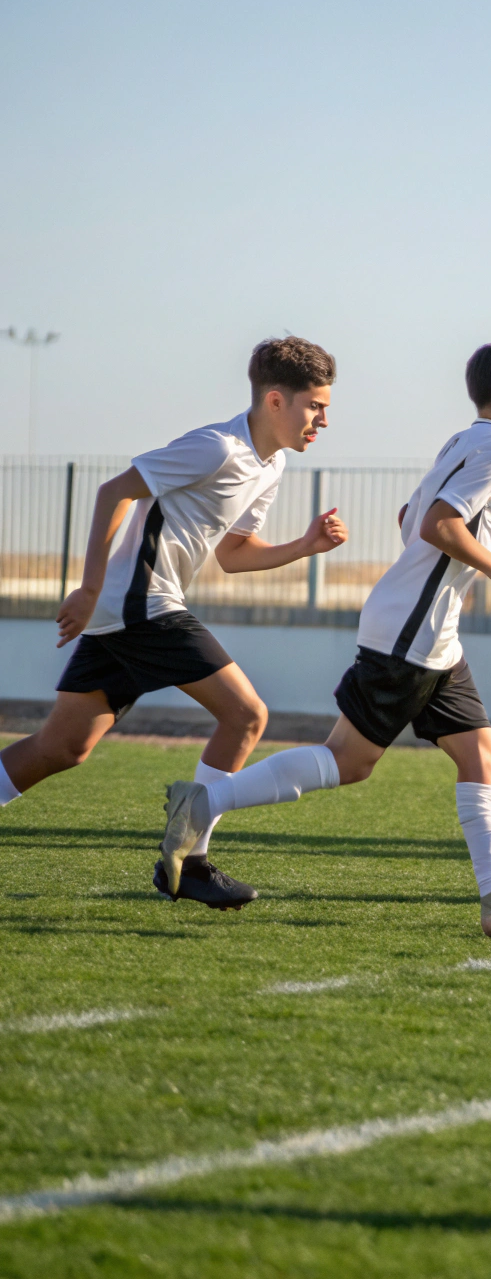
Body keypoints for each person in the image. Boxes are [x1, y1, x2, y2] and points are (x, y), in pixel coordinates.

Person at [158, 335, 491, 938]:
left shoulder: (465, 439)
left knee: (482, 755)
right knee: (348, 761)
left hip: (431, 633)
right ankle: (204, 803)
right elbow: (437, 526)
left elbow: (412, 523)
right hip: (414, 633)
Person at [0, 336, 347, 910]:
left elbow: (235, 554)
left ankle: (187, 861)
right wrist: (88, 587)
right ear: (276, 401)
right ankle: (190, 863)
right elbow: (115, 490)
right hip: (143, 604)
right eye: (317, 406)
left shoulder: (272, 464)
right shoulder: (216, 447)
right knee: (246, 714)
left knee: (62, 746)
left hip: (128, 611)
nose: (324, 420)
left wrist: (303, 546)